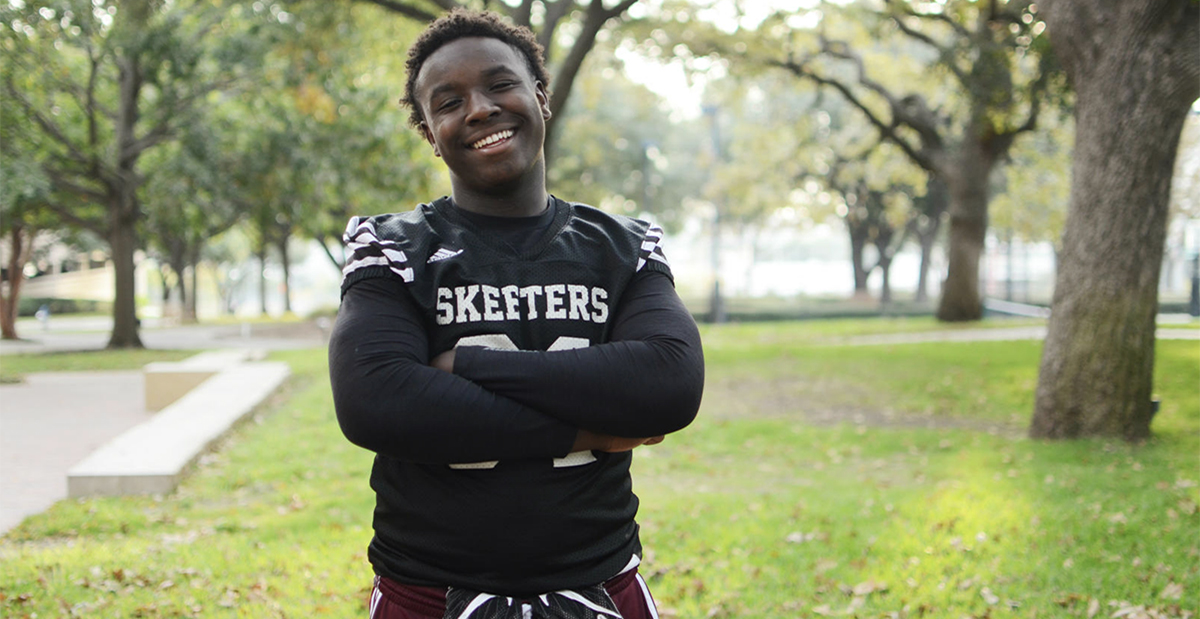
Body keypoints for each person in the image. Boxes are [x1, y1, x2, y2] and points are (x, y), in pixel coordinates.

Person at [327, 9, 704, 618]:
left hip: (598, 583)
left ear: (541, 96)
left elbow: (668, 384)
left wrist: (465, 365)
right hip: (428, 588)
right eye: (448, 102)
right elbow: (375, 399)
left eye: (500, 84)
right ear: (428, 131)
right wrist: (588, 432)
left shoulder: (624, 244)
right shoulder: (391, 245)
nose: (478, 109)